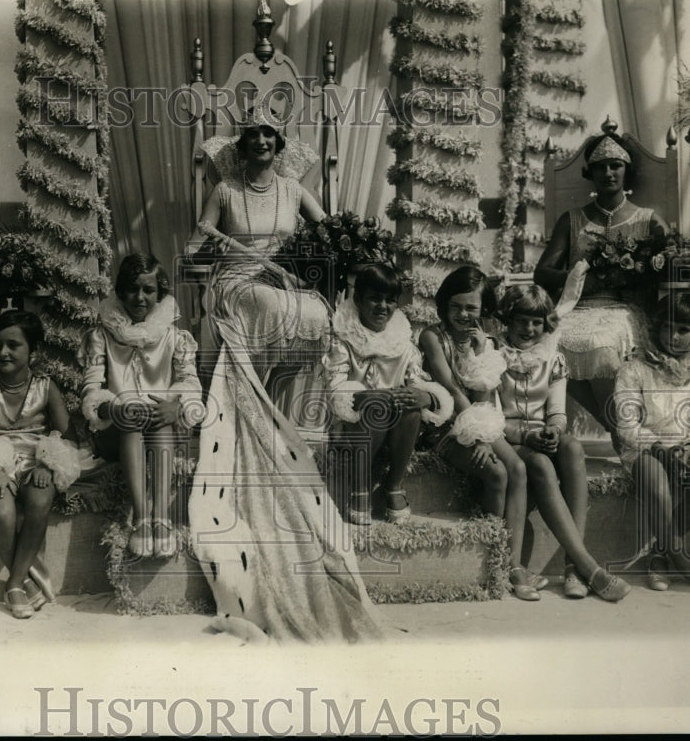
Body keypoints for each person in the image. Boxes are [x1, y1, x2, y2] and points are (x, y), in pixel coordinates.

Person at [184, 108, 383, 642]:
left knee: (316, 313)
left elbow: (330, 227)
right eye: (254, 138)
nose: (262, 145)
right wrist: (246, 253)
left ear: (279, 144)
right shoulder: (226, 189)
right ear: (243, 146)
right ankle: (260, 412)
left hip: (287, 276)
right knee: (271, 308)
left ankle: (293, 417)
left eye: (270, 137)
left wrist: (335, 255)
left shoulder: (293, 188)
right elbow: (201, 231)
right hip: (237, 279)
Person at [496, 284, 631, 601]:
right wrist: (526, 436)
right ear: (508, 320)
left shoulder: (552, 359)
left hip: (539, 438)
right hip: (507, 440)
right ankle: (589, 566)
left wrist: (554, 430)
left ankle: (572, 567)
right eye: (522, 321)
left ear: (545, 325)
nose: (529, 329)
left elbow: (556, 412)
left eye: (537, 322)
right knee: (541, 463)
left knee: (571, 446)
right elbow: (490, 417)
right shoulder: (493, 356)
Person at [534, 131, 669, 437]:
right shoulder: (572, 219)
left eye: (615, 165)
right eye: (600, 167)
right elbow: (542, 273)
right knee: (548, 342)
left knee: (601, 344)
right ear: (590, 173)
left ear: (626, 169)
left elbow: (667, 268)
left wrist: (634, 273)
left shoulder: (648, 219)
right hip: (576, 307)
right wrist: (583, 278)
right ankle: (621, 429)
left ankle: (621, 428)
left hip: (626, 309)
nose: (608, 173)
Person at [419, 265, 541, 600]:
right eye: (456, 306)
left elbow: (486, 392)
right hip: (444, 423)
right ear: (444, 304)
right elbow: (452, 391)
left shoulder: (486, 341)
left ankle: (512, 564)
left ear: (483, 310)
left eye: (471, 308)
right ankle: (488, 561)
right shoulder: (433, 336)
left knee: (517, 467)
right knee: (497, 473)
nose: (462, 314)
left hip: (482, 419)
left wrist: (477, 353)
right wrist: (479, 437)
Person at [80, 254, 201, 559]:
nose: (140, 297)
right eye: (132, 289)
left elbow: (190, 381)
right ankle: (141, 518)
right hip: (117, 432)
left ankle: (160, 518)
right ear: (120, 292)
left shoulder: (175, 338)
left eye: (148, 290)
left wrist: (178, 405)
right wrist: (110, 408)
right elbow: (92, 387)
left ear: (160, 294)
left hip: (162, 429)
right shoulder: (102, 336)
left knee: (160, 420)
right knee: (131, 419)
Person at [0, 310, 84, 618]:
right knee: (0, 508)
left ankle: (14, 583)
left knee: (39, 499)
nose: (2, 352)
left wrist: (48, 464)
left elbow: (68, 436)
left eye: (13, 345)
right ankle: (24, 583)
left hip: (37, 458)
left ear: (33, 352)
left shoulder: (46, 387)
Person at [614, 293, 690, 590]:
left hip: (688, 446)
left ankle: (658, 554)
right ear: (656, 327)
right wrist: (659, 448)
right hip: (644, 446)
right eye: (667, 327)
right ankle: (680, 558)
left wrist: (688, 448)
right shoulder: (634, 368)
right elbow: (626, 426)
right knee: (658, 487)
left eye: (683, 330)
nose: (673, 337)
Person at [326, 263, 453, 525]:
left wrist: (425, 397)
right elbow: (335, 387)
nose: (382, 306)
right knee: (378, 401)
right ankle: (360, 487)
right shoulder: (344, 340)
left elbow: (416, 381)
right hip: (355, 423)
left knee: (411, 404)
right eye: (374, 298)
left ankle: (394, 485)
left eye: (390, 301)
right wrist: (364, 397)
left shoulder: (402, 344)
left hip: (396, 428)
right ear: (358, 300)